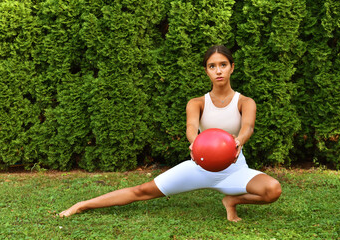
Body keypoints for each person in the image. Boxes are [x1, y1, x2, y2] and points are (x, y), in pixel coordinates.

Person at [59, 45, 282, 222]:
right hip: (200, 166)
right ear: (206, 70)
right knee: (142, 191)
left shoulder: (245, 102)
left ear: (232, 67)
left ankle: (232, 201)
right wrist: (196, 144)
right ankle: (82, 204)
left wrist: (238, 141)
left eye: (223, 65)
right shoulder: (196, 102)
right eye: (212, 66)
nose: (218, 70)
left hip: (233, 168)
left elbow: (248, 127)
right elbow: (191, 127)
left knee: (272, 190)